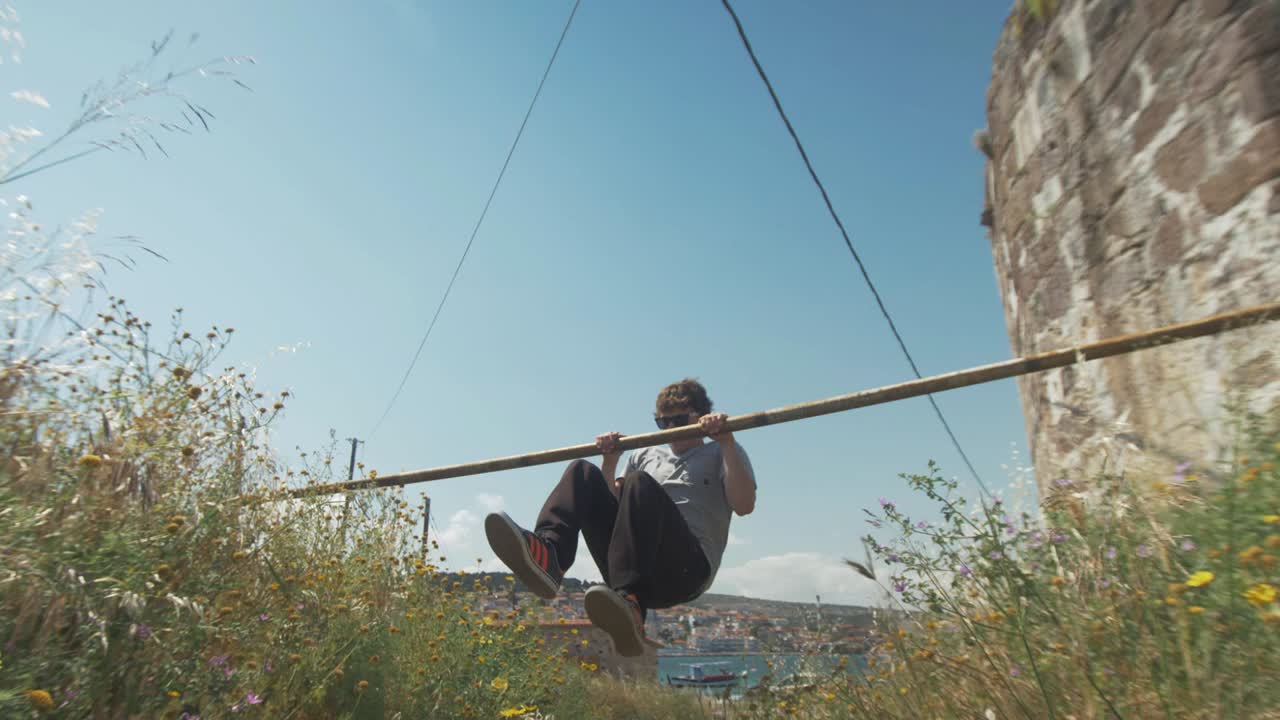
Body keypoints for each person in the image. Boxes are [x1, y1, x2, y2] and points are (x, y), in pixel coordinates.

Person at [484, 378, 757, 657]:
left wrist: (726, 442)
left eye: (678, 421)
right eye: (663, 423)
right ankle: (551, 555)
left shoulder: (721, 452)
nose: (670, 430)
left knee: (637, 482)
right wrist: (611, 461)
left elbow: (744, 505)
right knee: (582, 471)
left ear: (700, 417)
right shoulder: (645, 454)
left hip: (685, 571)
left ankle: (632, 602)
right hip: (630, 566)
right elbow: (616, 518)